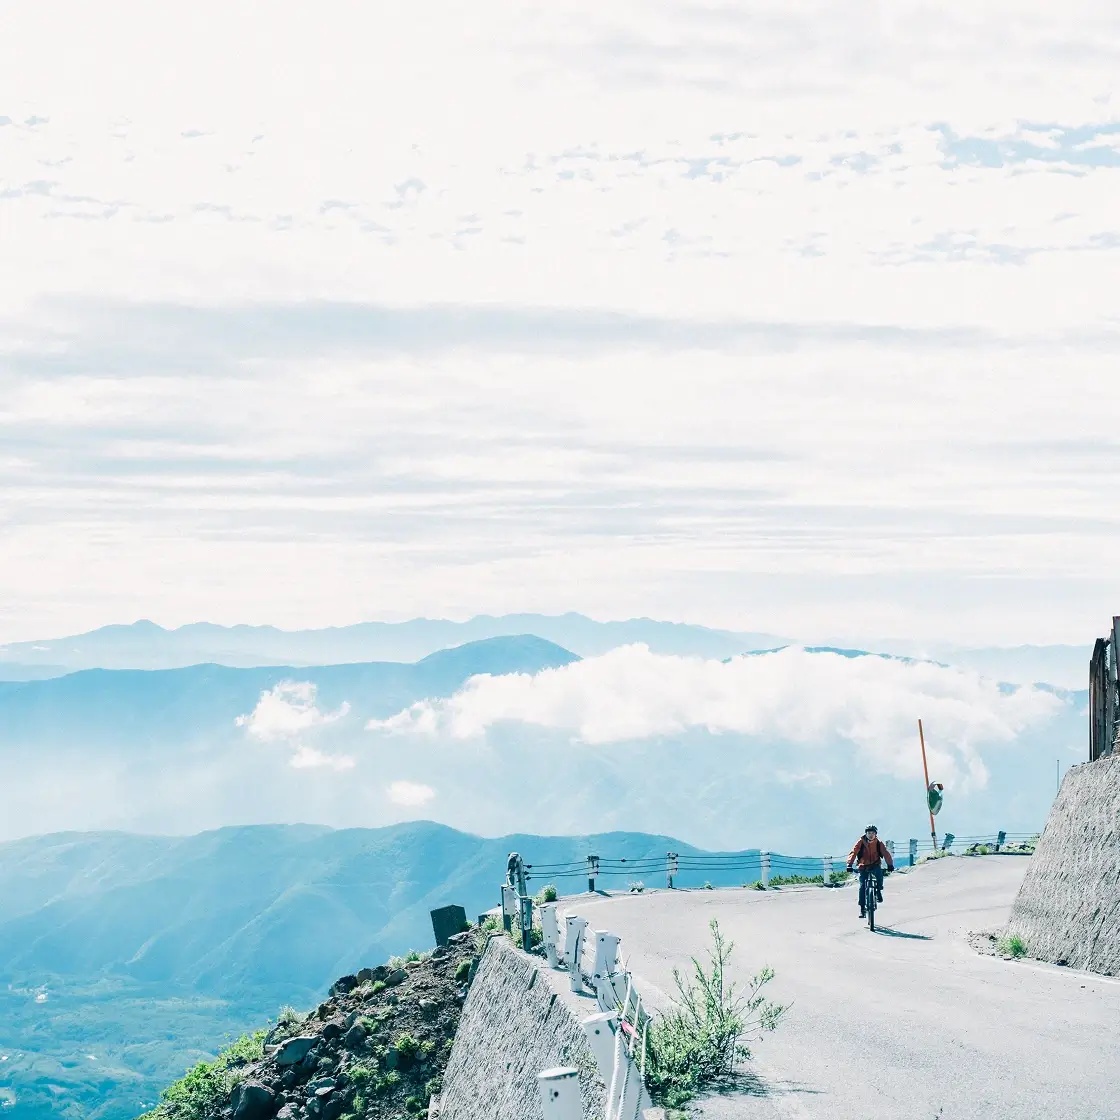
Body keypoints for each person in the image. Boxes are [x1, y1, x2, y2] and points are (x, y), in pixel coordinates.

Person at [846, 825, 894, 918]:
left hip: (875, 864)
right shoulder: (860, 842)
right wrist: (849, 864)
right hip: (863, 866)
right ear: (866, 834)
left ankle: (878, 891)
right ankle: (862, 909)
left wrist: (890, 864)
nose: (870, 835)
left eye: (872, 833)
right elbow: (854, 852)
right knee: (862, 886)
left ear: (875, 834)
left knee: (879, 876)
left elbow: (885, 853)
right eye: (869, 833)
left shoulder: (879, 843)